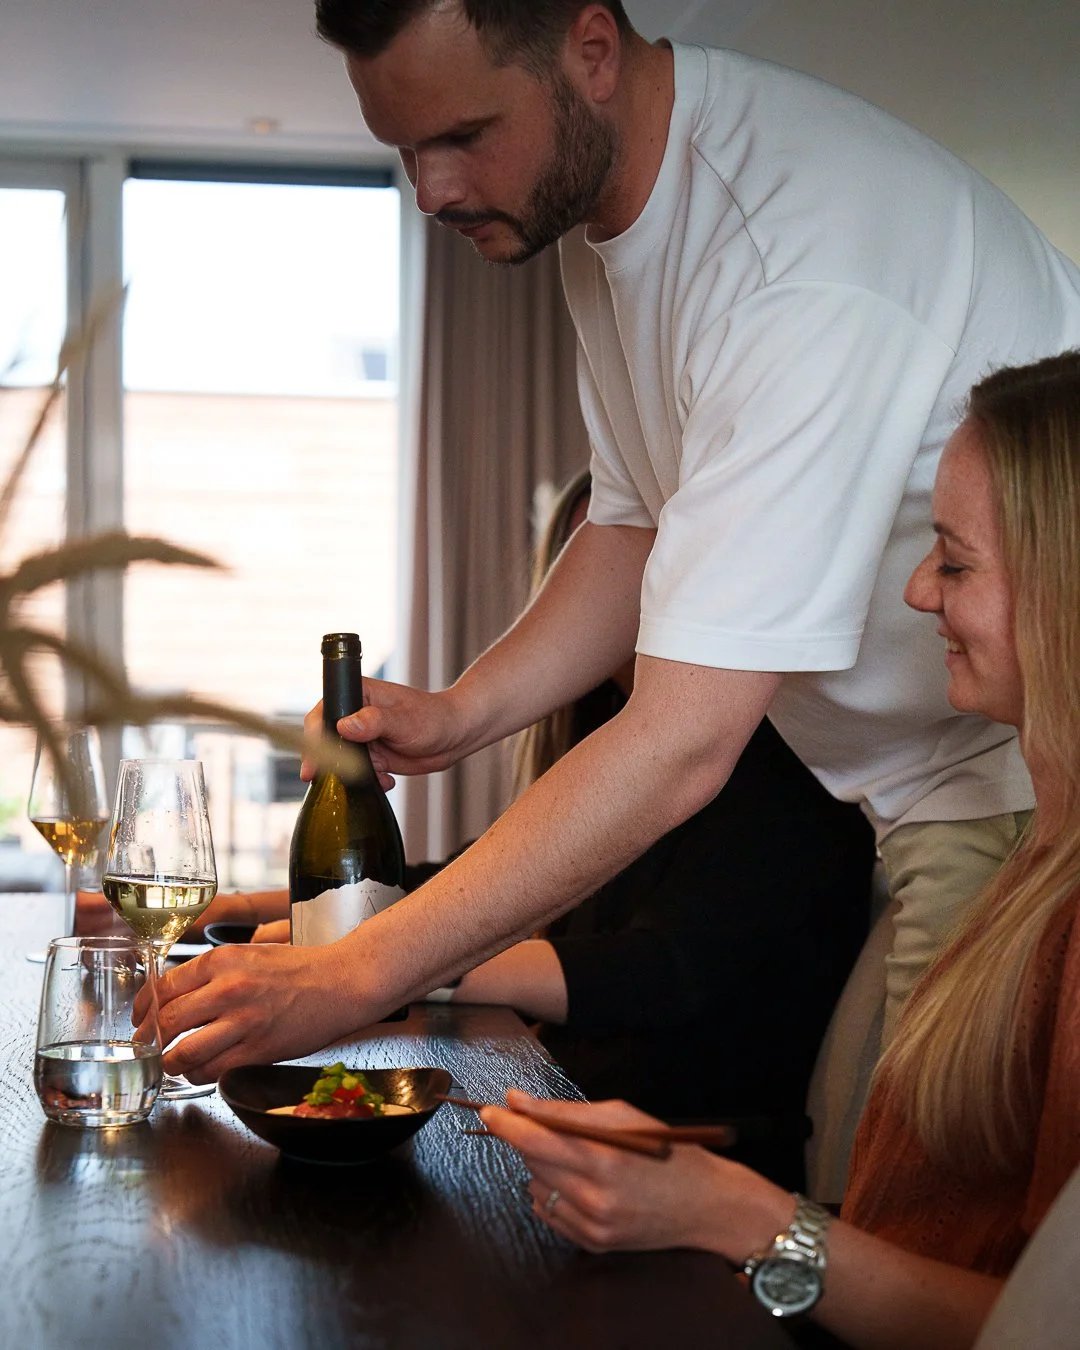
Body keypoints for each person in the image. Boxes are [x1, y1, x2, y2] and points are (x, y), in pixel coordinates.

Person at [148, 1, 1080, 1083]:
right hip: (906, 788)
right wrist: (463, 713)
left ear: (592, 52)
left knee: (921, 1201)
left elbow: (681, 741)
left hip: (1015, 775)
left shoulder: (792, 262)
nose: (432, 190)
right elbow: (633, 520)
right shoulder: (612, 221)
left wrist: (356, 973)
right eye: (406, 148)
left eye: (463, 135)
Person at [481, 350, 1080, 1346]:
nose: (920, 593)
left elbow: (1041, 1327)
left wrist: (732, 1215)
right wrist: (690, 1198)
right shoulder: (1035, 874)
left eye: (957, 561)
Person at [194, 468, 876, 1187]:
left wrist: (371, 964)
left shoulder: (785, 761)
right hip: (574, 1110)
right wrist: (236, 911)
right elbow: (459, 880)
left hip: (685, 1158)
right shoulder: (608, 743)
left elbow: (656, 971)